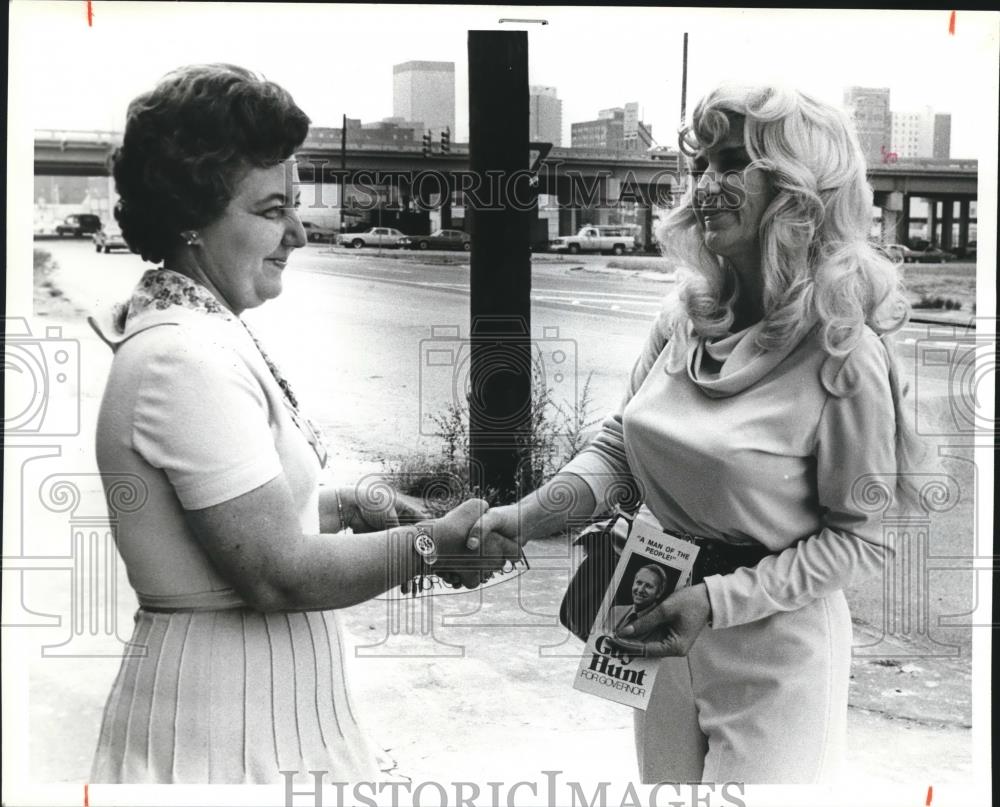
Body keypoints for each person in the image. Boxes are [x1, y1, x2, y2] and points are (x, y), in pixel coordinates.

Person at [469, 83, 922, 784]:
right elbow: (620, 447)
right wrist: (526, 517)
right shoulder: (683, 317)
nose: (706, 184)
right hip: (651, 612)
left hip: (773, 648)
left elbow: (861, 537)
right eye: (700, 164)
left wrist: (716, 600)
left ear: (799, 187)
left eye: (733, 161)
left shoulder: (841, 350)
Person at [88, 63, 514, 785]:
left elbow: (235, 521)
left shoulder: (201, 331)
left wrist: (353, 505)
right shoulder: (179, 359)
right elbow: (276, 573)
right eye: (270, 210)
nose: (298, 233)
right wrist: (430, 547)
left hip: (269, 713)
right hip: (224, 730)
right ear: (192, 215)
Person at [604, 564, 671, 634]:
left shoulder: (661, 627)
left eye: (648, 586)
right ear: (633, 584)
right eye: (638, 583)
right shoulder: (615, 611)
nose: (640, 590)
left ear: (659, 593)